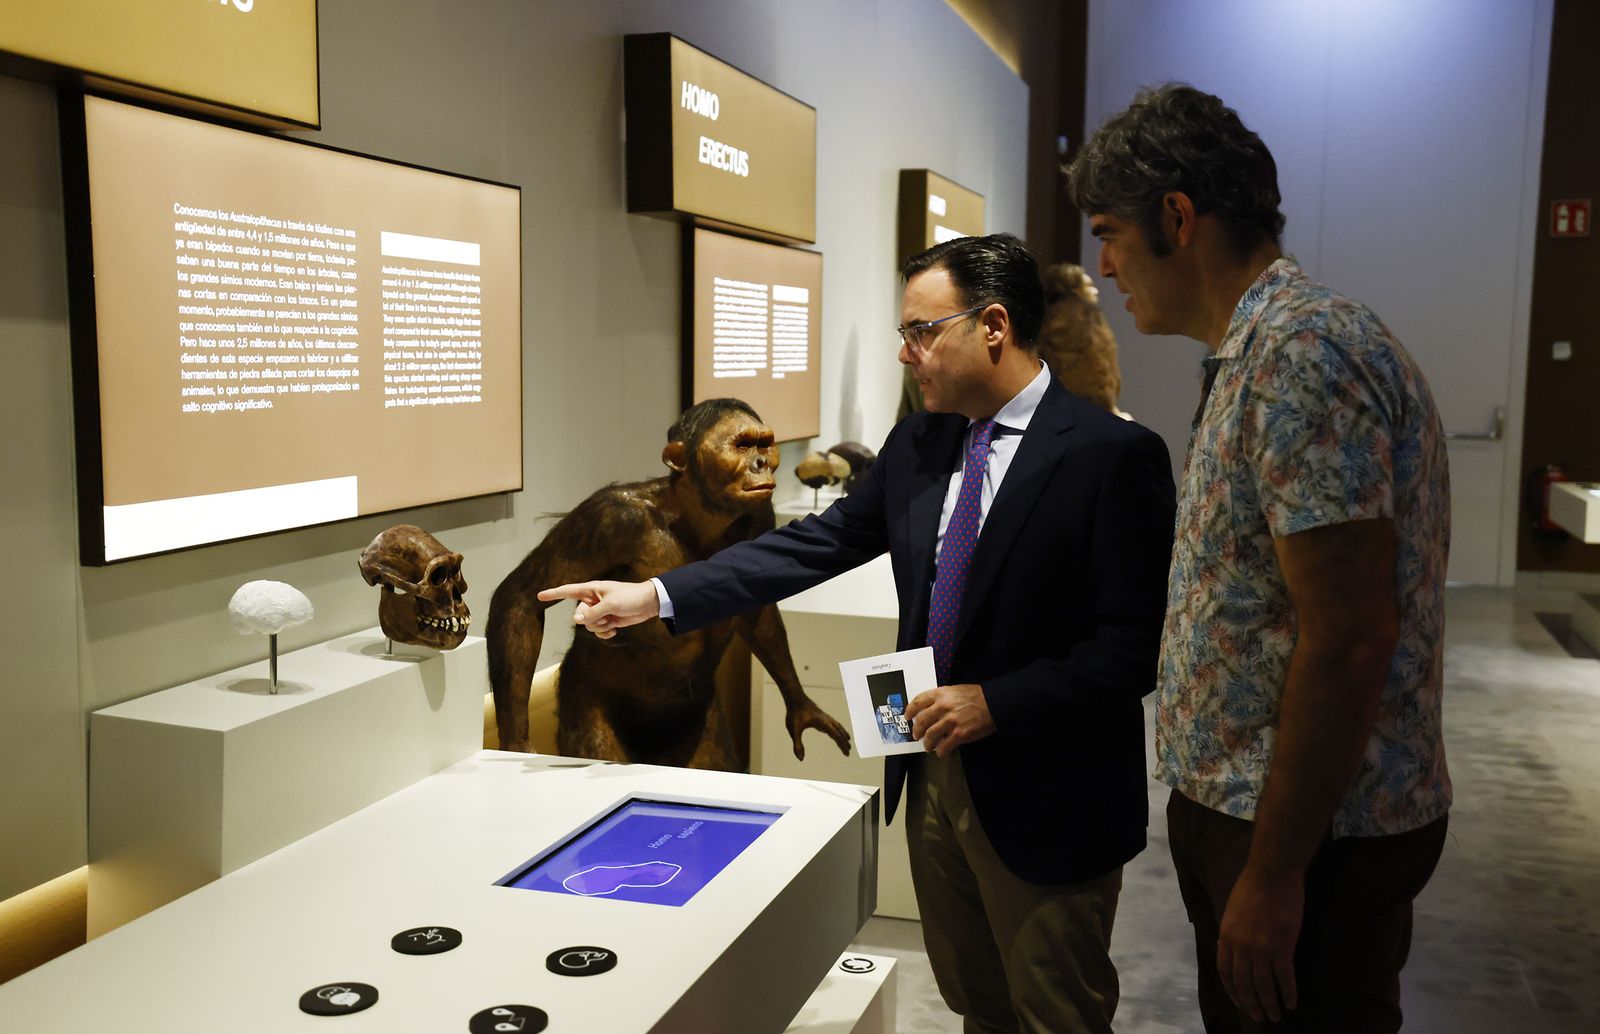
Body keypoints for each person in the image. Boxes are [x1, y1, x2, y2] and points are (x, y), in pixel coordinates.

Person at [540, 233, 1176, 1034]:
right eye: (902, 335)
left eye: (922, 332)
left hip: (1048, 792)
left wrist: (996, 702)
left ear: (993, 326)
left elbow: (1129, 649)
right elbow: (810, 546)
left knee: (1056, 1013)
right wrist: (656, 596)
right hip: (933, 778)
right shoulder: (920, 444)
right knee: (977, 1004)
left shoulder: (1111, 456)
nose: (907, 354)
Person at [1066, 83, 1452, 1033]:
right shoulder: (1263, 348)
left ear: (1179, 218)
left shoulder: (1299, 353)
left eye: (1110, 232)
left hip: (1312, 837)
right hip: (1267, 813)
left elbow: (1352, 635)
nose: (1106, 266)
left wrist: (1275, 876)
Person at [1036, 262, 1130, 419]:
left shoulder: (1048, 319)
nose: (1095, 290)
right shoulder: (1082, 317)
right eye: (1088, 285)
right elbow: (1095, 369)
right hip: (1088, 409)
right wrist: (1109, 408)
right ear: (1075, 289)